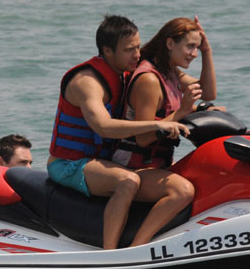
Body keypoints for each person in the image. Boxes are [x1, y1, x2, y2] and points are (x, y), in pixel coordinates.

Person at [46, 15, 190, 249]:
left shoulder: (124, 72)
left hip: (103, 161)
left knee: (180, 186)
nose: (137, 54)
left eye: (138, 47)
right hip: (69, 164)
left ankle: (138, 246)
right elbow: (103, 126)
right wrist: (155, 125)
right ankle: (110, 254)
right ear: (107, 51)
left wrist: (205, 53)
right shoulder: (87, 82)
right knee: (127, 182)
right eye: (129, 50)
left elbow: (195, 85)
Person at [112, 16, 221, 172]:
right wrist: (183, 111)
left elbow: (208, 93)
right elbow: (142, 138)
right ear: (170, 44)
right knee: (185, 186)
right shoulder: (149, 80)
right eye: (190, 46)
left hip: (155, 163)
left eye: (197, 48)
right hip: (131, 165)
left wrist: (207, 50)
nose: (194, 54)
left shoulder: (170, 72)